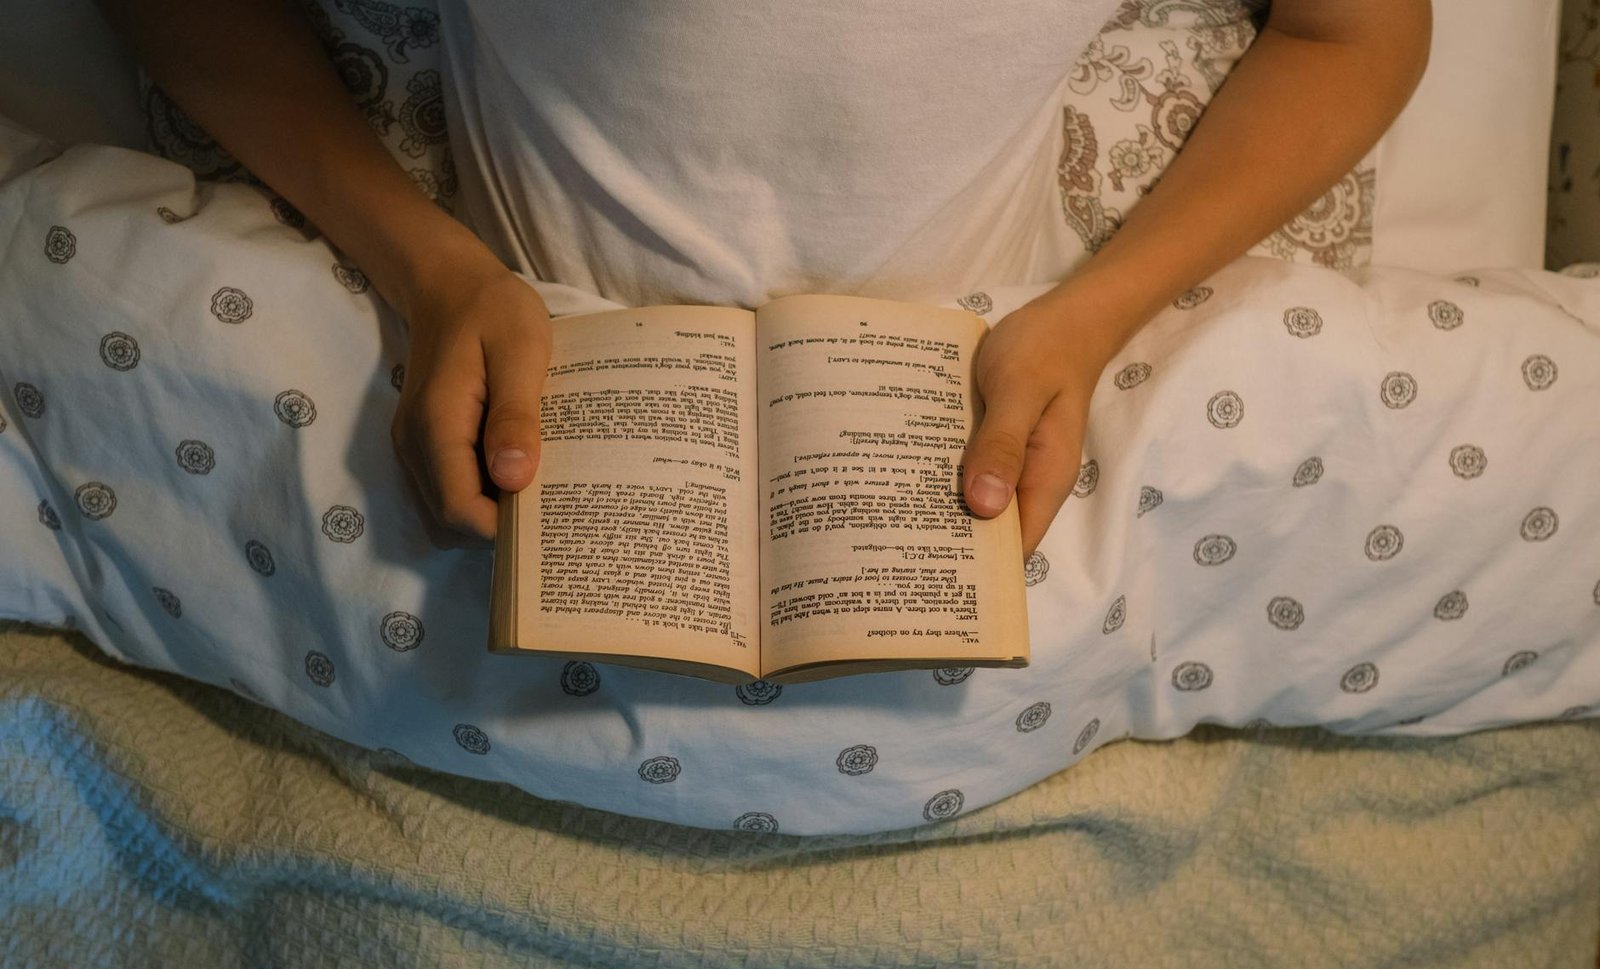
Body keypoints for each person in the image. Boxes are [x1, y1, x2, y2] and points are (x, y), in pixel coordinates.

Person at [98, 0, 1430, 556]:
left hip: (998, 418)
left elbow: (1356, 31)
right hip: (494, 407)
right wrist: (427, 265)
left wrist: (1090, 321)